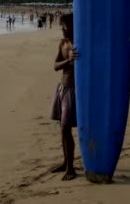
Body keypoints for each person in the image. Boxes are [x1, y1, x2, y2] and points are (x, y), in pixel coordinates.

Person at [51, 13, 78, 181]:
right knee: (62, 128)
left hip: (75, 90)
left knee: (65, 128)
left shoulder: (82, 42)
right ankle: (65, 161)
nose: (62, 29)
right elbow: (55, 66)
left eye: (65, 26)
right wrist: (67, 61)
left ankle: (70, 167)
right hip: (63, 88)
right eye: (61, 26)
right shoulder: (63, 43)